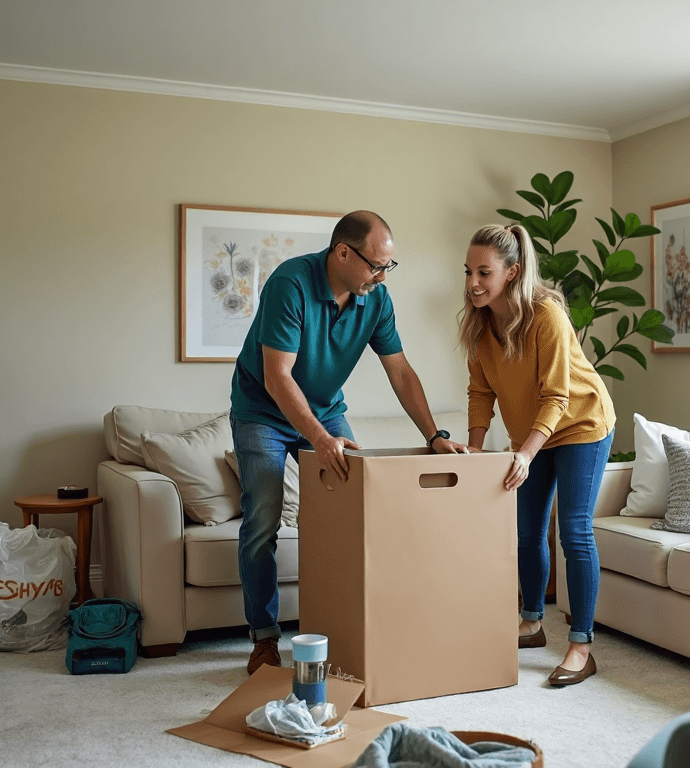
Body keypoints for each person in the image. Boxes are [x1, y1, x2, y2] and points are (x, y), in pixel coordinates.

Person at [231, 210, 469, 674]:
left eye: (388, 267)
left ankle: (352, 629)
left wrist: (435, 435)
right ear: (342, 252)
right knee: (262, 520)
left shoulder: (376, 300)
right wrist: (319, 440)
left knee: (358, 512)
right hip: (262, 410)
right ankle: (263, 639)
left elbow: (399, 370)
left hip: (324, 408)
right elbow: (278, 378)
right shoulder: (290, 284)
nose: (382, 277)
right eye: (375, 266)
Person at [459, 223, 615, 687]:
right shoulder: (480, 325)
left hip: (582, 425)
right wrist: (475, 447)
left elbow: (556, 397)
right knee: (526, 531)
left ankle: (582, 647)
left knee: (573, 531)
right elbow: (480, 391)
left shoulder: (545, 314)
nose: (473, 282)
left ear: (513, 272)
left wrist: (524, 454)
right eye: (468, 271)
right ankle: (531, 623)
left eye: (484, 272)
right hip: (535, 434)